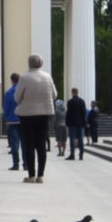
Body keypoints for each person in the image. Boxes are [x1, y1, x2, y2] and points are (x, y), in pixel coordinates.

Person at [13, 53, 57, 183]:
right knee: (41, 146)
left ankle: (31, 175)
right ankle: (41, 175)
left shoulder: (24, 78)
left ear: (29, 63)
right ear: (41, 63)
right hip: (44, 115)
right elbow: (54, 95)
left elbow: (17, 97)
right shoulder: (47, 77)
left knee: (29, 146)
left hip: (27, 116)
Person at [63, 87, 88, 160]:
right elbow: (84, 113)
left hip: (72, 123)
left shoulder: (70, 102)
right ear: (77, 92)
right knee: (80, 139)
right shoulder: (82, 101)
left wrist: (67, 122)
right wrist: (84, 123)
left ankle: (72, 154)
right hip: (80, 123)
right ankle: (81, 154)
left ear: (72, 93)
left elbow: (68, 113)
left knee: (72, 139)